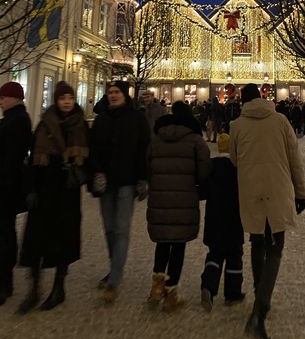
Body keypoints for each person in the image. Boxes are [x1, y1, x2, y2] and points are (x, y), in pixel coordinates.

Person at [229, 83, 305, 339]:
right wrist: (301, 193)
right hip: (278, 189)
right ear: (263, 97)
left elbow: (234, 158)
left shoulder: (237, 125)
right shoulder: (281, 120)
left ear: (242, 100)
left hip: (251, 191)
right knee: (275, 249)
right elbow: (294, 159)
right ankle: (260, 311)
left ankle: (259, 295)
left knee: (256, 243)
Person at [18, 81, 89, 314]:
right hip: (43, 190)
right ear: (56, 101)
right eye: (62, 98)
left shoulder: (80, 125)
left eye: (70, 98)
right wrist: (30, 189)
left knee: (63, 240)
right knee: (35, 240)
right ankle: (34, 289)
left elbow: (90, 158)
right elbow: (32, 160)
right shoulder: (44, 124)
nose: (67, 102)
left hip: (67, 192)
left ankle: (59, 288)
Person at [147, 101, 211, 311]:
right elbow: (204, 171)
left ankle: (157, 286)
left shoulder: (157, 138)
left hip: (160, 196)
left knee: (163, 241)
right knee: (178, 244)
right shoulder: (195, 139)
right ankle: (172, 291)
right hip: (184, 197)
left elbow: (147, 164)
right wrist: (201, 189)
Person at [89, 80, 150, 303]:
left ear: (125, 95)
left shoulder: (137, 119)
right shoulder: (101, 120)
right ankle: (115, 268)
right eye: (110, 93)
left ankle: (114, 280)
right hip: (105, 182)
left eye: (116, 92)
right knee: (109, 229)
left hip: (127, 181)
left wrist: (143, 178)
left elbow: (144, 149)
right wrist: (96, 172)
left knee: (121, 229)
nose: (113, 95)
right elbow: (92, 149)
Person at [200, 130, 244, 312]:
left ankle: (209, 286)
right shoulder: (238, 169)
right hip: (234, 219)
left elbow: (202, 192)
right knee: (234, 256)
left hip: (214, 219)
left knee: (215, 254)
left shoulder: (210, 167)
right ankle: (232, 294)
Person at [0, 82, 32, 306]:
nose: (1, 100)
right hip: (6, 186)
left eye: (4, 97)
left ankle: (5, 281)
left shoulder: (18, 120)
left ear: (15, 98)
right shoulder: (10, 119)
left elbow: (11, 157)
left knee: (4, 233)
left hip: (6, 187)